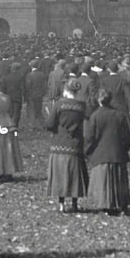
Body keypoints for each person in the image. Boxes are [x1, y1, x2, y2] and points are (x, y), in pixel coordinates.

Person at [84, 87, 130, 215]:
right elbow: (126, 137)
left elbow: (89, 137)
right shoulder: (119, 115)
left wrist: (87, 152)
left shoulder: (95, 116)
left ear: (99, 100)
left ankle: (104, 205)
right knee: (119, 180)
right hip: (117, 154)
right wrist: (124, 149)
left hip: (100, 155)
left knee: (102, 180)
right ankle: (121, 203)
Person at [45, 77, 89, 214]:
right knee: (75, 174)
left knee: (60, 174)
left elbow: (50, 124)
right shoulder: (82, 106)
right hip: (75, 143)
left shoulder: (59, 104)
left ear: (66, 90)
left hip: (59, 143)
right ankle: (75, 203)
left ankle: (62, 204)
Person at [0, 78, 23, 181]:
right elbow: (10, 111)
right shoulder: (7, 97)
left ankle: (0, 171)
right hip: (8, 122)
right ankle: (9, 171)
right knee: (9, 147)